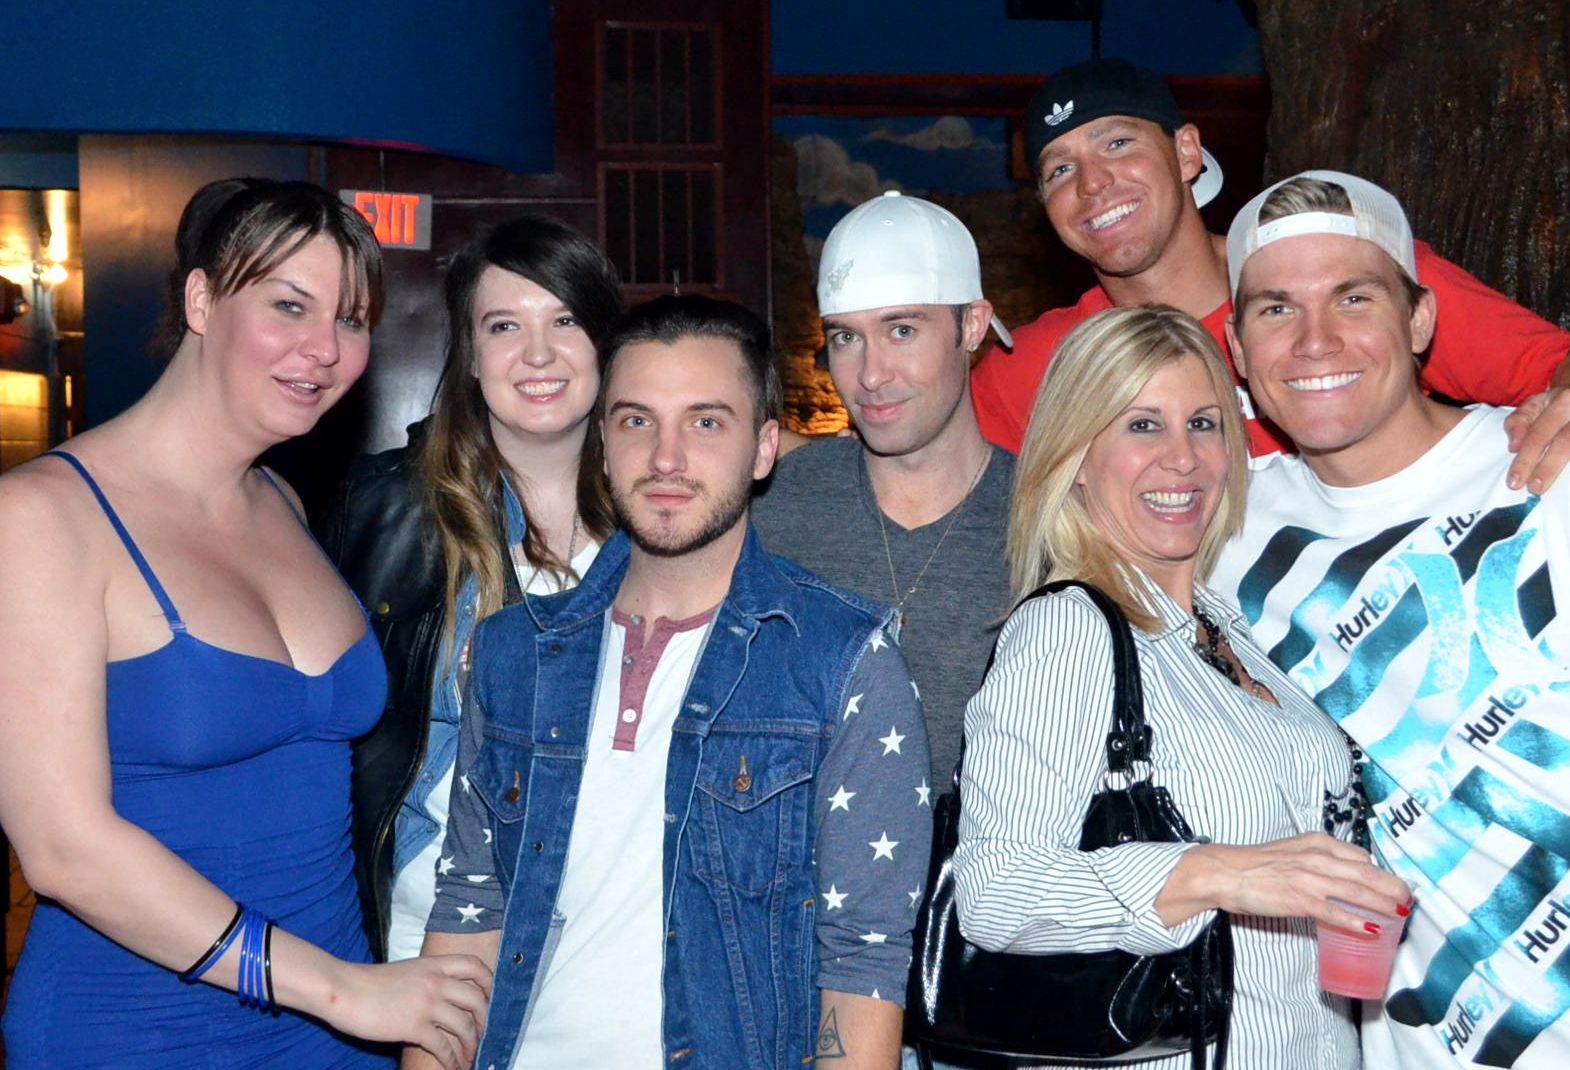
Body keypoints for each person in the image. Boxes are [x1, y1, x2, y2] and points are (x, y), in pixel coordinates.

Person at [0, 178, 489, 1069]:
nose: (325, 349)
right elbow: (64, 848)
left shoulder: (282, 502)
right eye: (289, 306)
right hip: (138, 1031)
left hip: (336, 1026)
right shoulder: (41, 518)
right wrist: (341, 990)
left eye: (351, 319)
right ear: (201, 300)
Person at [402, 295, 931, 1070]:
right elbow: (467, 918)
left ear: (764, 449)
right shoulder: (512, 654)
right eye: (636, 421)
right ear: (603, 445)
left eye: (706, 422)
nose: (666, 459)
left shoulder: (842, 662)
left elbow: (861, 966)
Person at [954, 304, 1410, 1069]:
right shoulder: (1068, 629)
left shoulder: (1230, 632)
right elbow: (996, 892)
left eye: (1203, 424)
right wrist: (1217, 872)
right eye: (1143, 426)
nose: (1183, 458)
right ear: (1077, 455)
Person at [1211, 171, 1570, 1068]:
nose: (1316, 340)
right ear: (1237, 349)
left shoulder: (1544, 467)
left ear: (1419, 321)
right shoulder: (1214, 530)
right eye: (1277, 310)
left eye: (1353, 298)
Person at [969, 57, 1570, 493]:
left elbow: (1551, 364)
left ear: (1186, 152)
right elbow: (931, 466)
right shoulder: (1039, 366)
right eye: (1060, 169)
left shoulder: (1342, 270)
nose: (1093, 182)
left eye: (1119, 143)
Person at [316, 216, 622, 963]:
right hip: (436, 935)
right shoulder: (379, 508)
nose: (539, 353)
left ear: (606, 344)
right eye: (504, 325)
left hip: (614, 935)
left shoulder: (667, 518)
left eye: (565, 320)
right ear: (472, 354)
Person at [753, 191, 1014, 791]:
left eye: (901, 330)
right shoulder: (772, 508)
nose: (870, 375)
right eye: (846, 337)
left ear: (972, 326)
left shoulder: (1050, 521)